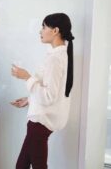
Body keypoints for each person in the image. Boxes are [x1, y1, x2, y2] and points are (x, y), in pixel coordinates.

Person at [10, 13, 74, 169]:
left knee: (35, 166)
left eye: (44, 27)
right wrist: (29, 99)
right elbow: (53, 92)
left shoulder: (55, 59)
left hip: (40, 123)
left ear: (55, 31)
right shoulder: (59, 55)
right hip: (40, 122)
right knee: (22, 166)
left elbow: (49, 96)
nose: (40, 31)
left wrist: (27, 77)